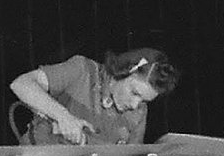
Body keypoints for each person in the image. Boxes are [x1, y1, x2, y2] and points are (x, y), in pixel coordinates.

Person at [10, 47, 179, 146]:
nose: (135, 105)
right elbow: (21, 84)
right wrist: (64, 117)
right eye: (135, 93)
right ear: (122, 72)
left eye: (143, 100)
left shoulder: (139, 112)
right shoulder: (83, 71)